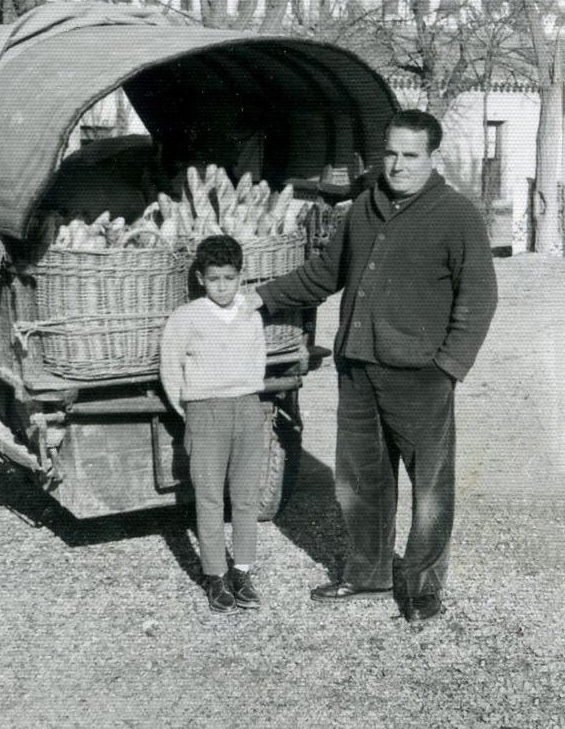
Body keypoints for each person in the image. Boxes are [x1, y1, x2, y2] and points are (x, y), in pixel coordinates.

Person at [247, 109, 498, 626]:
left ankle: (423, 587)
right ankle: (368, 574)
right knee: (360, 481)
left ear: (433, 158)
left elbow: (480, 297)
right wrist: (262, 297)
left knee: (429, 486)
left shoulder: (457, 215)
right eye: (391, 153)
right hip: (358, 370)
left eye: (410, 155)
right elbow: (325, 274)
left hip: (421, 376)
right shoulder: (363, 207)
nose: (398, 165)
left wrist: (448, 366)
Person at [160, 235, 267, 615]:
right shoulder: (186, 317)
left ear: (241, 277)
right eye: (214, 279)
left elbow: (258, 361)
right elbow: (171, 371)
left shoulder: (250, 313)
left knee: (246, 496)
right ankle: (215, 576)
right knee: (208, 497)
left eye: (229, 278)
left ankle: (242, 571)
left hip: (248, 410)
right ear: (200, 278)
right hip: (205, 412)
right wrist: (191, 411)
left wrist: (247, 400)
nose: (222, 286)